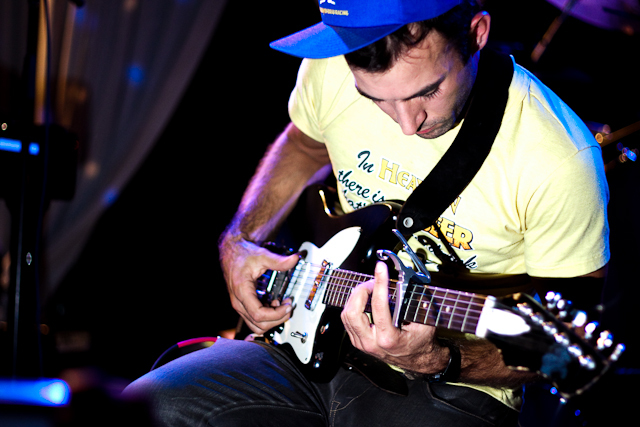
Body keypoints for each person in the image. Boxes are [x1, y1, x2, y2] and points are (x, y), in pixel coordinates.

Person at [123, 1, 609, 426]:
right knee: (145, 406)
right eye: (375, 99)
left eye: (427, 91)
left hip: (452, 387)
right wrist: (240, 240)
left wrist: (438, 357)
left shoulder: (559, 159)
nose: (407, 124)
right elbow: (302, 145)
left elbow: (558, 352)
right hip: (307, 341)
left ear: (477, 33)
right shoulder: (330, 68)